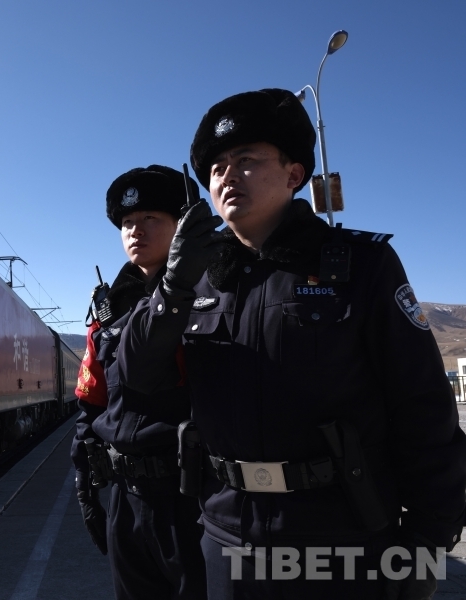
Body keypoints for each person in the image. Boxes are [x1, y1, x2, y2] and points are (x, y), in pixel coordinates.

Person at [118, 88, 466, 599]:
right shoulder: (196, 279)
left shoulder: (359, 265)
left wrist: (428, 541)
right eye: (216, 168)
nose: (227, 175)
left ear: (294, 173)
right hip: (226, 535)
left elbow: (422, 406)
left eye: (246, 160)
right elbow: (138, 377)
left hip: (341, 535)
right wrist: (171, 287)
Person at [72, 165, 213, 600]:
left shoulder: (214, 293)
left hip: (195, 496)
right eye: (128, 222)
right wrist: (85, 484)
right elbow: (92, 402)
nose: (136, 230)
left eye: (151, 218)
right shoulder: (108, 309)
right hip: (127, 497)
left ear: (181, 223)